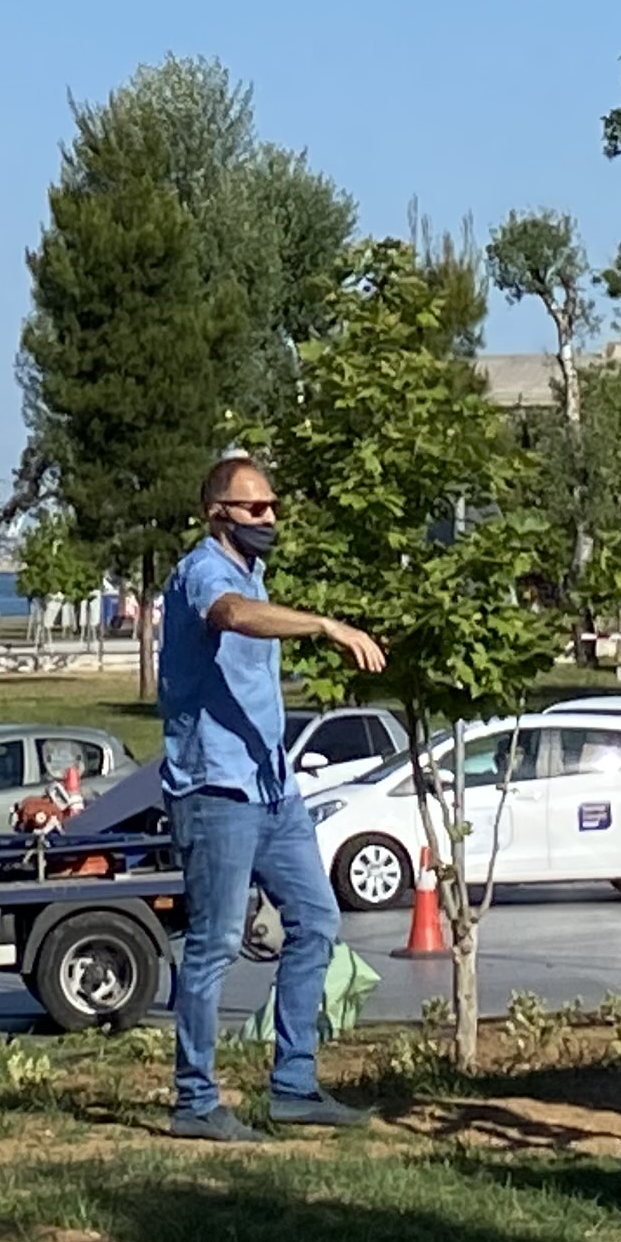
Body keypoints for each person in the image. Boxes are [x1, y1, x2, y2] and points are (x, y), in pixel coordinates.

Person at [159, 453, 383, 1144]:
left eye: (274, 506)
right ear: (217, 513)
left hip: (273, 788)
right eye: (256, 508)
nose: (270, 519)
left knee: (317, 922)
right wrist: (325, 625)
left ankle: (294, 1087)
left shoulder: (253, 572)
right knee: (216, 944)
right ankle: (196, 1102)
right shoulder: (204, 572)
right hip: (215, 790)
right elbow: (230, 615)